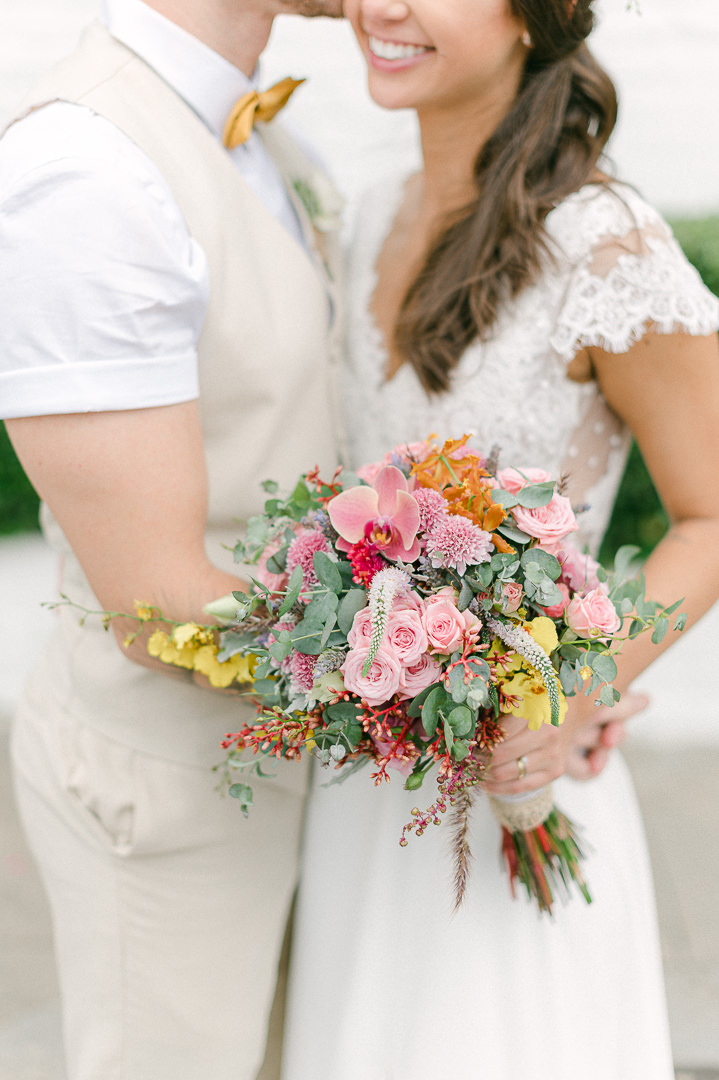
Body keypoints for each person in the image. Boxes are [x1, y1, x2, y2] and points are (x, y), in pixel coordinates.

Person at [281, 1, 719, 1077]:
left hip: (512, 779)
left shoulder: (603, 247)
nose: (383, 8)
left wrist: (577, 685)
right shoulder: (363, 215)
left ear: (538, 14)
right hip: (360, 794)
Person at [0, 0, 342, 1077]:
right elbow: (159, 603)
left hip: (286, 757)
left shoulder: (257, 134)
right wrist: (456, 673)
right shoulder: (88, 167)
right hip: (168, 790)